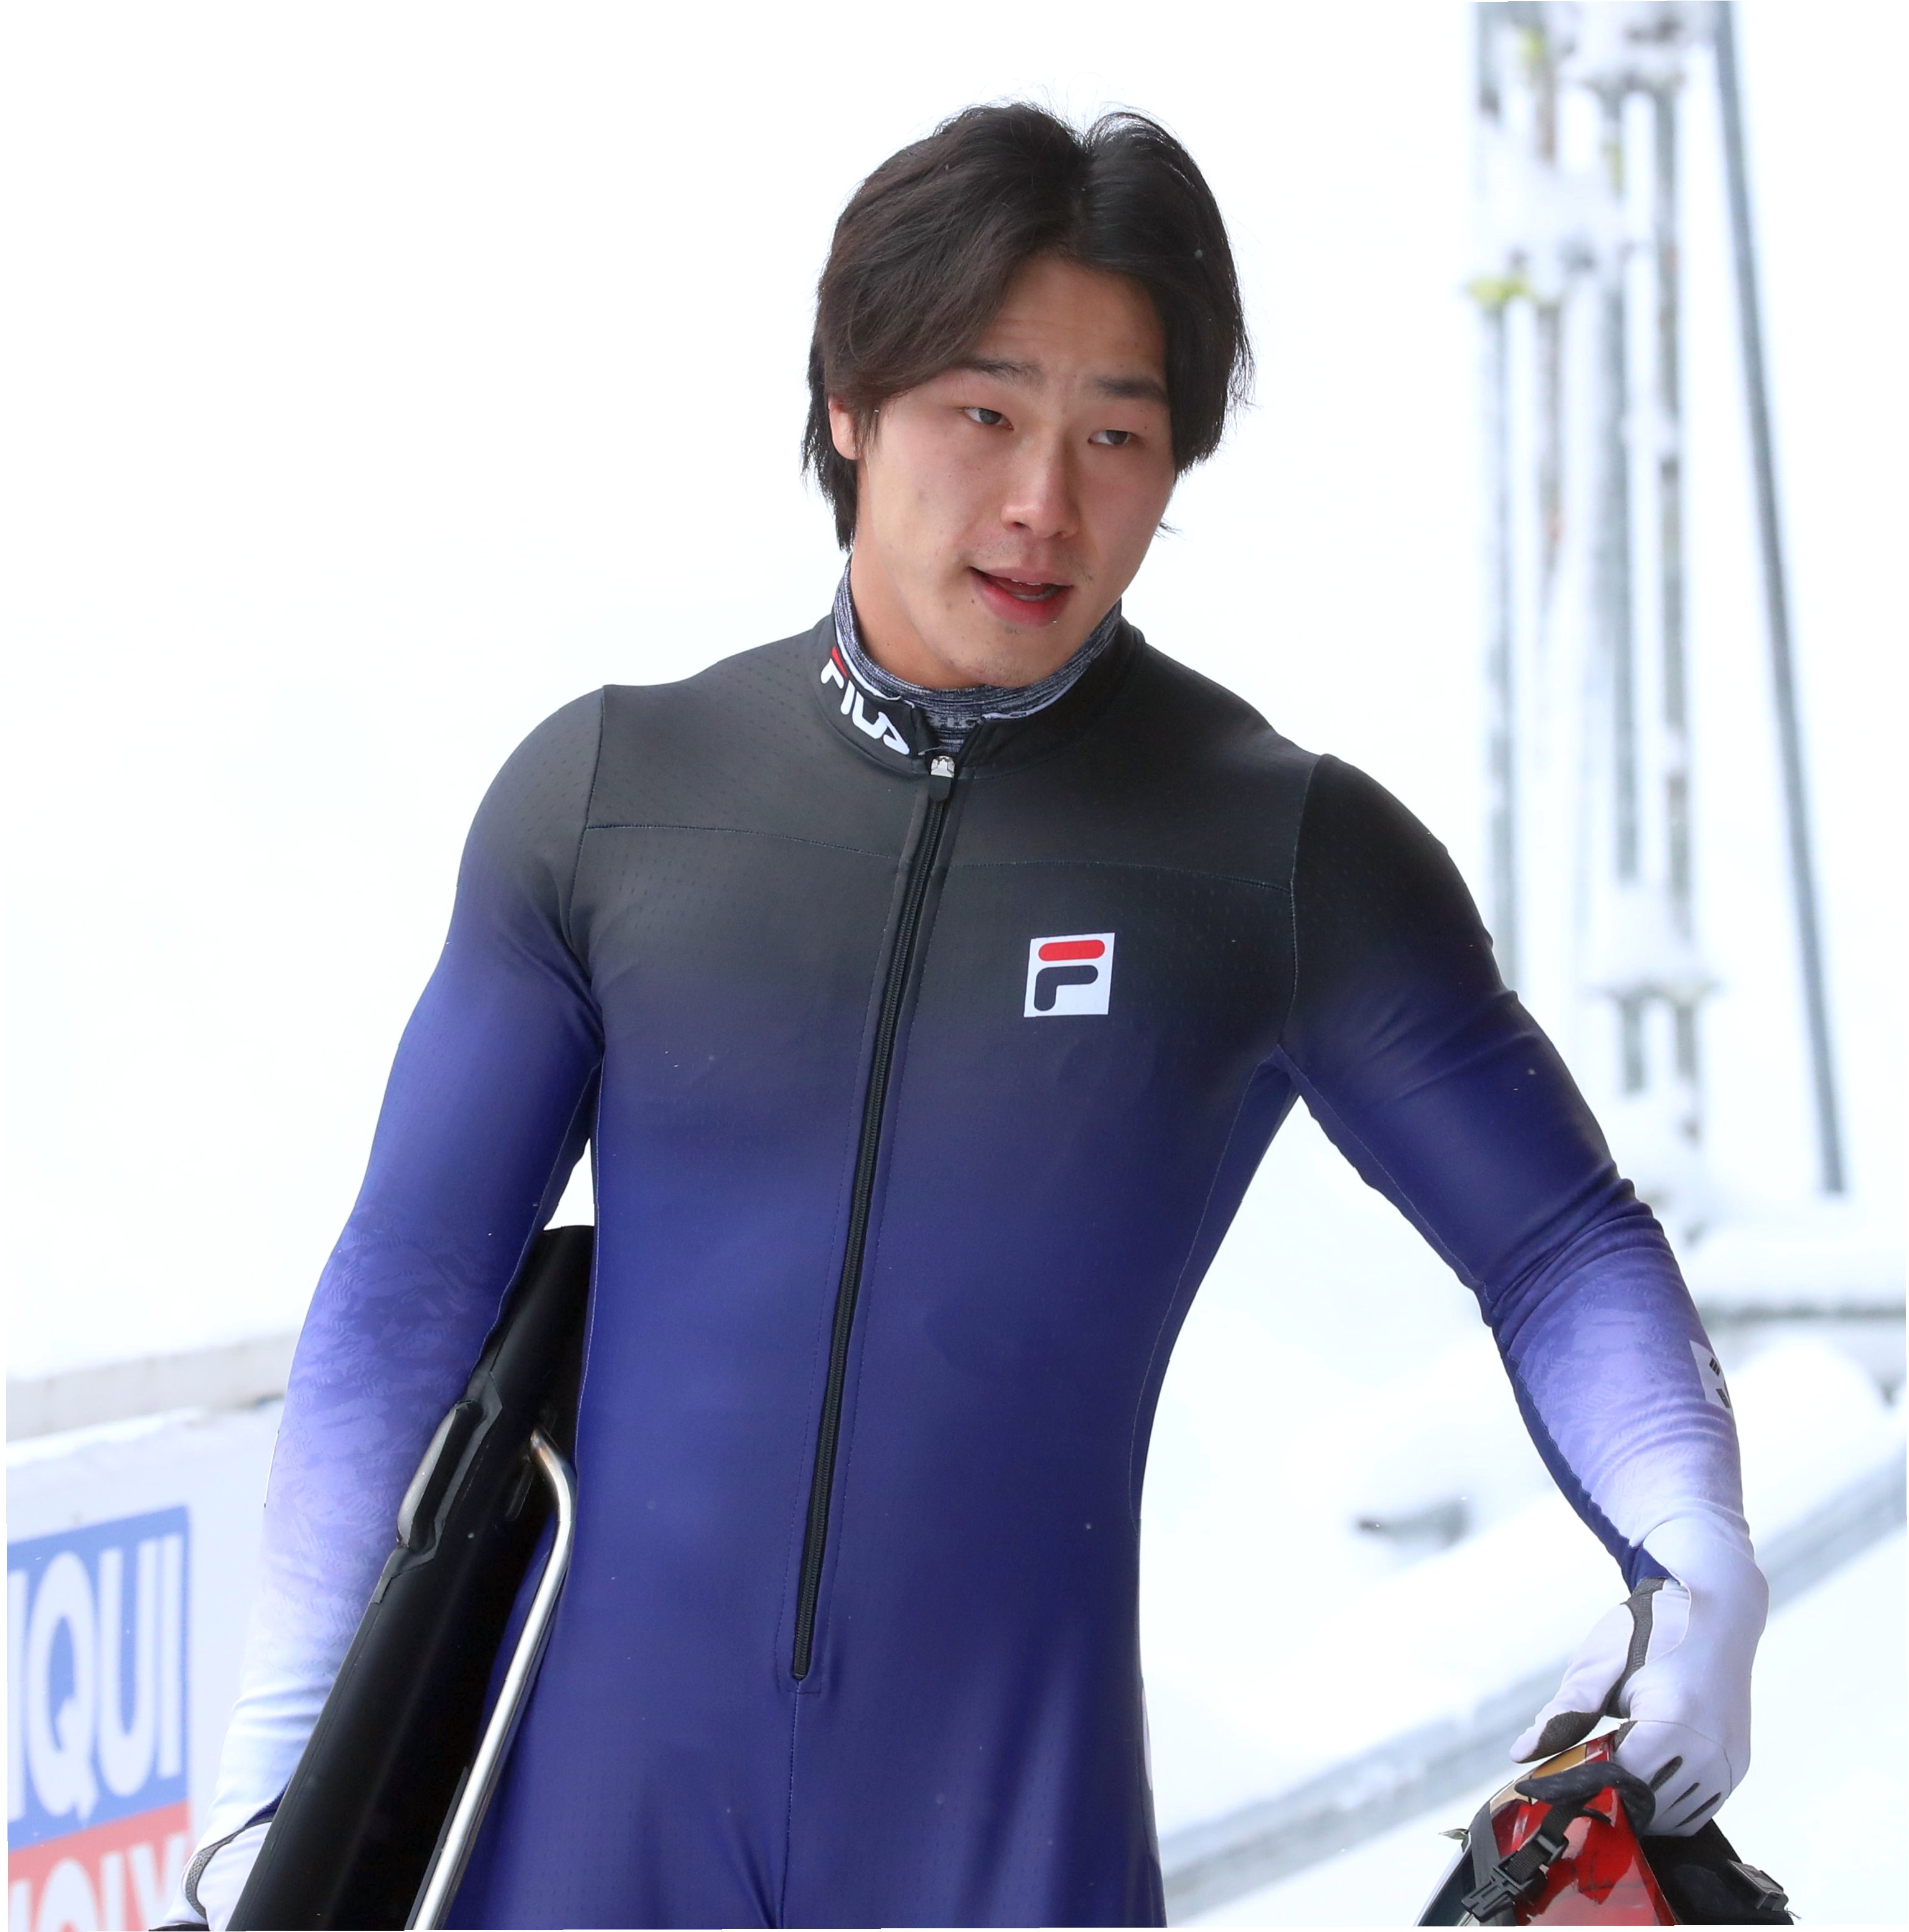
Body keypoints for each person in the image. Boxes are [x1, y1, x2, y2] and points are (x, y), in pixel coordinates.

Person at [172, 104, 1766, 1929]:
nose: (1043, 504)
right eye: (983, 414)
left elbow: (1561, 1246)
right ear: (849, 401)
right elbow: (407, 1290)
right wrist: (274, 1787)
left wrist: (1693, 1550)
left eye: (1117, 434)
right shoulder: (612, 801)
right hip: (581, 1854)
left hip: (1004, 1859)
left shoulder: (1278, 852)